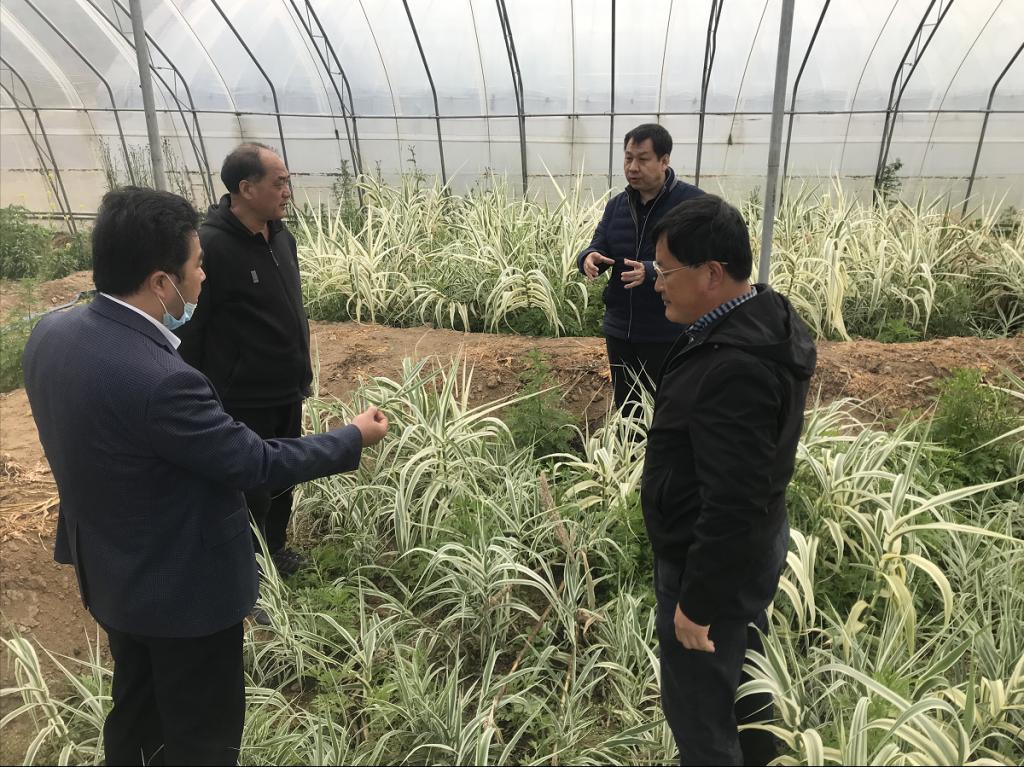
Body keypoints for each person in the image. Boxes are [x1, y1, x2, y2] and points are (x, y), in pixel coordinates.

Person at [22, 186, 389, 765]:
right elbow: (254, 462)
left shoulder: (52, 335)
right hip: (183, 595)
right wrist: (351, 437)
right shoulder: (163, 380)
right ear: (160, 282)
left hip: (111, 574)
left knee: (137, 714)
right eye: (196, 265)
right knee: (203, 738)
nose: (203, 277)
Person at [642, 195, 816, 765]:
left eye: (666, 271)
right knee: (742, 682)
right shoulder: (760, 320)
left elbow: (732, 501)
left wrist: (697, 603)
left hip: (709, 563)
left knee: (700, 712)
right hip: (749, 550)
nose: (657, 284)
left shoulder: (734, 367)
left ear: (712, 274)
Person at [176, 142, 311, 577]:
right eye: (279, 182)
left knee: (284, 476)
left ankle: (276, 549)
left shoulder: (282, 237)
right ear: (247, 188)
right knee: (248, 486)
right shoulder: (212, 246)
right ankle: (247, 568)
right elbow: (193, 327)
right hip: (242, 397)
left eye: (288, 181)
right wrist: (199, 393)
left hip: (287, 387)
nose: (287, 191)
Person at [578, 123, 704, 415]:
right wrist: (589, 257)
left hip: (668, 331)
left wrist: (652, 270)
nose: (632, 167)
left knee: (669, 409)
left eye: (643, 159)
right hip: (621, 330)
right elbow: (599, 243)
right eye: (628, 158)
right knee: (628, 409)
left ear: (664, 160)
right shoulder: (617, 206)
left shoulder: (692, 204)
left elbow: (702, 259)